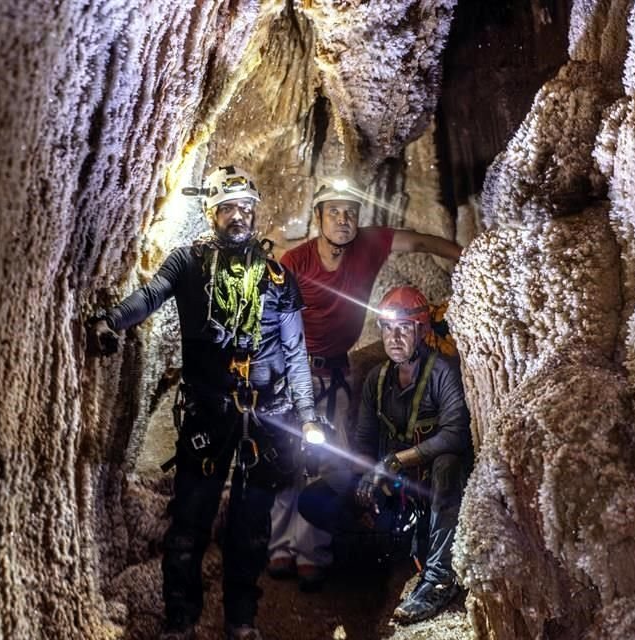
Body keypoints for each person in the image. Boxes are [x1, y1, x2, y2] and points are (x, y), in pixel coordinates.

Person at [89, 165, 323, 640]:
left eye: (246, 208)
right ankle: (181, 621)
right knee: (190, 518)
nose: (239, 216)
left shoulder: (279, 280)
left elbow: (296, 354)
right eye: (229, 208)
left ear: (255, 213)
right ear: (210, 212)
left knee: (251, 523)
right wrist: (113, 321)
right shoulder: (187, 264)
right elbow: (150, 296)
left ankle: (241, 620)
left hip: (267, 417)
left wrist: (310, 418)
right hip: (207, 413)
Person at [268, 176, 463, 590]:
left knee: (325, 460)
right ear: (318, 217)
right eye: (334, 211)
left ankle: (310, 553)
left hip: (335, 371)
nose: (344, 219)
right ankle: (279, 548)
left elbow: (423, 242)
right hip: (294, 370)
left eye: (351, 212)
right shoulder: (295, 262)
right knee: (287, 457)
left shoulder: (369, 245)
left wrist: (470, 258)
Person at [298, 285, 472, 624]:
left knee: (447, 465)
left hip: (429, 488)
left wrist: (393, 462)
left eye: (404, 328)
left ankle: (438, 577)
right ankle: (374, 555)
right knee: (314, 498)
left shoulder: (443, 373)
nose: (394, 337)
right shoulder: (378, 380)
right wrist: (366, 479)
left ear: (421, 331)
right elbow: (364, 441)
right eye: (388, 328)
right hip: (392, 488)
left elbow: (455, 435)